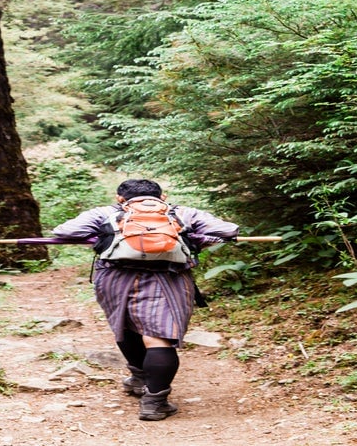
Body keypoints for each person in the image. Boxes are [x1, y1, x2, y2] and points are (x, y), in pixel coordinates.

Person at [51, 178, 239, 421]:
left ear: (120, 198)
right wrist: (196, 237)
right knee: (159, 337)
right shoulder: (182, 212)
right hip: (169, 278)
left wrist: (100, 235)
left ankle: (139, 378)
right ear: (162, 197)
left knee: (125, 326)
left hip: (116, 278)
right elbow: (228, 230)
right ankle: (154, 401)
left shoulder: (106, 212)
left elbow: (64, 232)